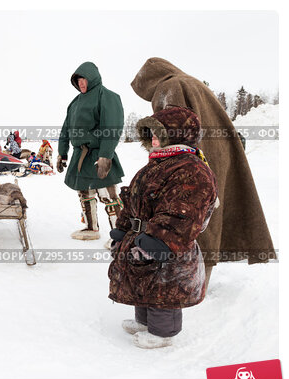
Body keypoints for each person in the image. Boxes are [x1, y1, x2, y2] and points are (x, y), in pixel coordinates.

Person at [131, 58, 275, 285]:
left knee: (189, 218)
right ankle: (201, 280)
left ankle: (193, 285)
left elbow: (171, 127)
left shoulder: (169, 87)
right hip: (214, 155)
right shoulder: (193, 82)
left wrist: (165, 164)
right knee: (209, 217)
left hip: (190, 160)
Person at [108, 106, 218, 349]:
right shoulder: (156, 164)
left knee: (163, 284)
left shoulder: (191, 168)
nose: (153, 138)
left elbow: (183, 210)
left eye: (160, 132)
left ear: (177, 134)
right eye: (150, 133)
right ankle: (145, 322)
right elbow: (132, 199)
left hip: (166, 243)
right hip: (141, 236)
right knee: (142, 278)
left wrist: (159, 241)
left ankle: (162, 332)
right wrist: (123, 230)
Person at [58, 61, 125, 241]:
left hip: (98, 153)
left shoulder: (107, 96)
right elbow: (66, 130)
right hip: (80, 155)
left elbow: (112, 128)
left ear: (92, 78)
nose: (81, 83)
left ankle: (120, 234)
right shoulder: (75, 103)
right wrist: (62, 153)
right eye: (78, 80)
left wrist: (105, 155)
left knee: (107, 195)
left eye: (84, 79)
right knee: (84, 193)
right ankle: (91, 227)